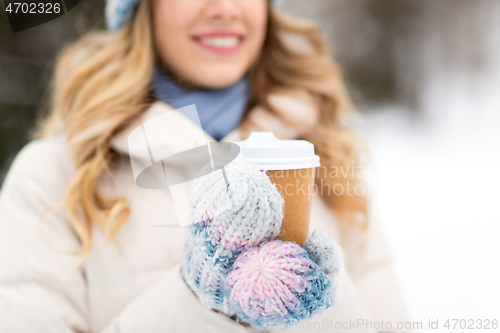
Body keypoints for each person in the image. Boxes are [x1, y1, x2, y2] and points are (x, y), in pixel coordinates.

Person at [0, 0, 412, 332]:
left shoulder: (322, 153)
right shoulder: (53, 176)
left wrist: (318, 305)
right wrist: (198, 300)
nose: (225, 8)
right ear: (143, 9)